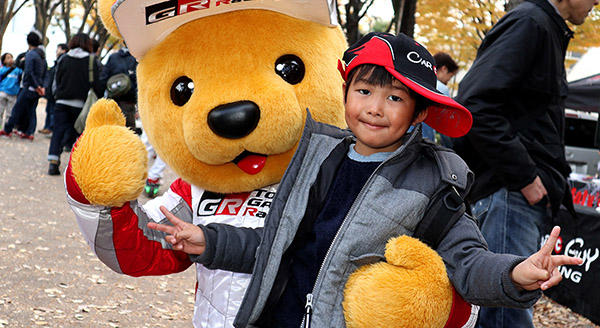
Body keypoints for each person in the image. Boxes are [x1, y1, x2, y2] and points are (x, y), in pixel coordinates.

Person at [148, 32, 582, 328]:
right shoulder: (315, 157)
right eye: (364, 91)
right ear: (345, 93)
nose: (375, 107)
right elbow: (278, 241)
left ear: (420, 113)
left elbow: (466, 263)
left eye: (395, 97)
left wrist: (516, 273)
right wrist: (209, 241)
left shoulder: (435, 182)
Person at [452, 0, 600, 327]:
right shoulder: (530, 24)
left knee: (508, 311)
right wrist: (527, 178)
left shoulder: (543, 27)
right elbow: (474, 106)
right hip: (507, 198)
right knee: (506, 317)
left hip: (514, 198)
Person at [47, 34, 103, 176]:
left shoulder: (63, 59)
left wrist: (56, 95)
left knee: (57, 132)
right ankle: (77, 167)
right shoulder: (91, 60)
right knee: (79, 134)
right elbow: (97, 84)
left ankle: (53, 162)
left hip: (61, 102)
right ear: (87, 44)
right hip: (81, 105)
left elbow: (56, 80)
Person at [0, 31, 47, 140]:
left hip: (29, 87)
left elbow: (29, 72)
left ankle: (7, 130)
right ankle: (29, 132)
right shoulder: (42, 56)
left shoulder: (31, 54)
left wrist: (36, 86)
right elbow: (45, 73)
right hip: (37, 89)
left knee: (17, 109)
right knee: (31, 111)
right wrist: (42, 86)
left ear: (28, 42)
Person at [421, 52, 459, 145]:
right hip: (425, 143)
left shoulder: (420, 83)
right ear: (444, 69)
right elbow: (445, 126)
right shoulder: (442, 89)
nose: (448, 81)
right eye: (450, 76)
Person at [99, 47, 138, 130]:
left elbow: (103, 79)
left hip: (113, 101)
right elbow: (138, 82)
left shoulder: (113, 57)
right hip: (129, 102)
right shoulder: (135, 58)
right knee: (128, 132)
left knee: (113, 130)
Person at [39, 43, 68, 135]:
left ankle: (50, 128)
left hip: (55, 92)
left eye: (58, 48)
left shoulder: (63, 60)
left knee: (52, 111)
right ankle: (47, 127)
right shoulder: (58, 61)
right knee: (49, 110)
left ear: (64, 50)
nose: (56, 50)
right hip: (52, 91)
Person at [0, 53, 23, 127]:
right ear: (4, 61)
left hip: (13, 94)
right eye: (8, 58)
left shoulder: (18, 70)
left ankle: (6, 128)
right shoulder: (2, 70)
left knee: (10, 113)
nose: (10, 59)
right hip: (3, 92)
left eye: (11, 58)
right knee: (0, 111)